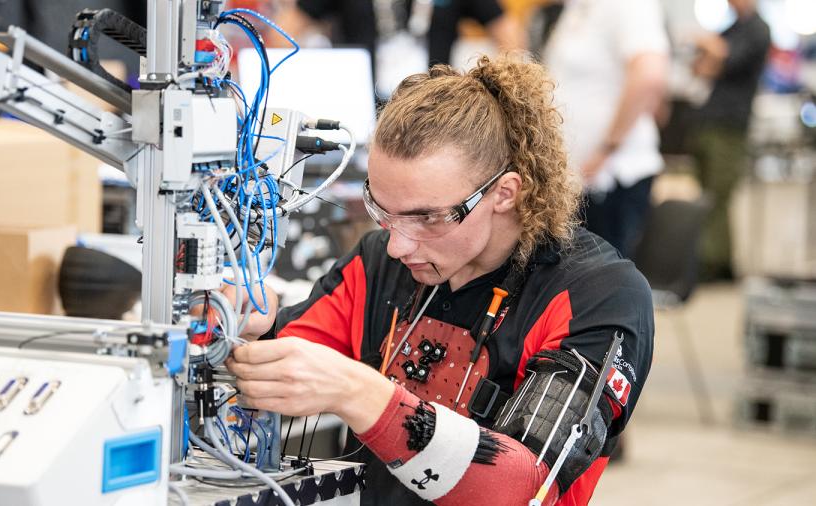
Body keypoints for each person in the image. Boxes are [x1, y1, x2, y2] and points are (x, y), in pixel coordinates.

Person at [226, 53, 654, 505]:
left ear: (505, 193)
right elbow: (294, 348)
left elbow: (525, 485)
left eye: (427, 217)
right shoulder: (380, 262)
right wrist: (249, 317)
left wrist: (358, 392)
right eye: (381, 211)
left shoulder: (598, 295)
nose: (398, 246)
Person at [542, 0, 670, 259]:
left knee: (605, 286)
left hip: (612, 178)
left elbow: (649, 76)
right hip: (579, 182)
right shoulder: (579, 8)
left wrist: (606, 148)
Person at [275, 0, 524, 97]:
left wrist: (498, 87)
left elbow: (506, 29)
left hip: (433, 103)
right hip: (363, 107)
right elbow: (284, 31)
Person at [691, 0, 770, 281]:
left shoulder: (758, 29)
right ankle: (718, 260)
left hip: (730, 126)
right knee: (708, 194)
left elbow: (728, 58)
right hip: (710, 121)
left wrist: (709, 45)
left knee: (718, 194)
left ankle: (714, 262)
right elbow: (704, 68)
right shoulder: (732, 28)